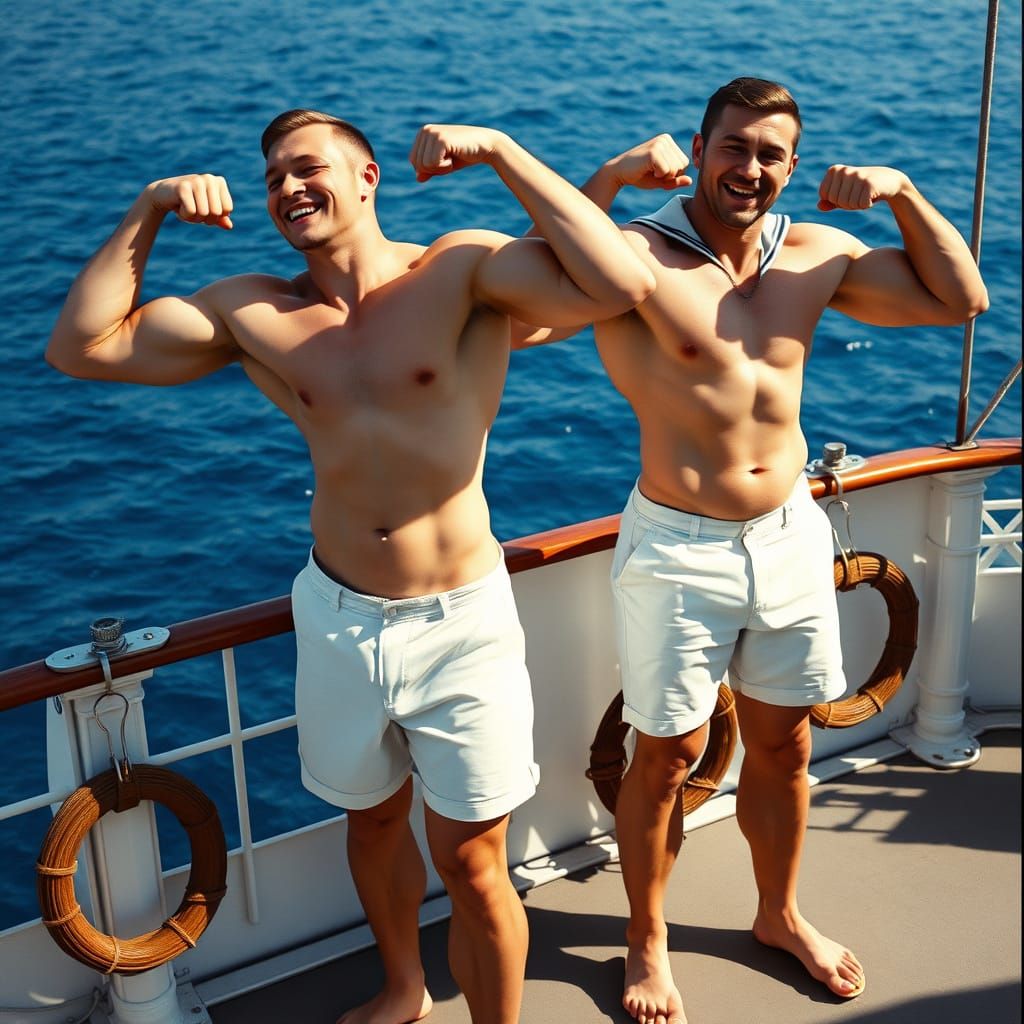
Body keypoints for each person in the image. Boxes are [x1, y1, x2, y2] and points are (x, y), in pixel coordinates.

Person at [45, 110, 655, 1024]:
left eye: (308, 167)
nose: (288, 188)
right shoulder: (251, 310)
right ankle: (404, 989)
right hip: (337, 615)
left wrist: (498, 150)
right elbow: (79, 348)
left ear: (368, 177)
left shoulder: (460, 269)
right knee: (369, 822)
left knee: (475, 862)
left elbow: (622, 281)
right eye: (273, 179)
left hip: (462, 619)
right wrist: (150, 207)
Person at [515, 77, 988, 1024]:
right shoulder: (634, 258)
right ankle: (646, 942)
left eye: (772, 154)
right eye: (734, 147)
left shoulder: (814, 255)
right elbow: (525, 309)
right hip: (678, 545)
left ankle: (779, 914)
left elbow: (961, 297)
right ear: (700, 147)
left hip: (789, 535)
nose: (751, 168)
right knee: (668, 755)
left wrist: (899, 191)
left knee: (785, 742)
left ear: (794, 167)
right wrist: (608, 177)